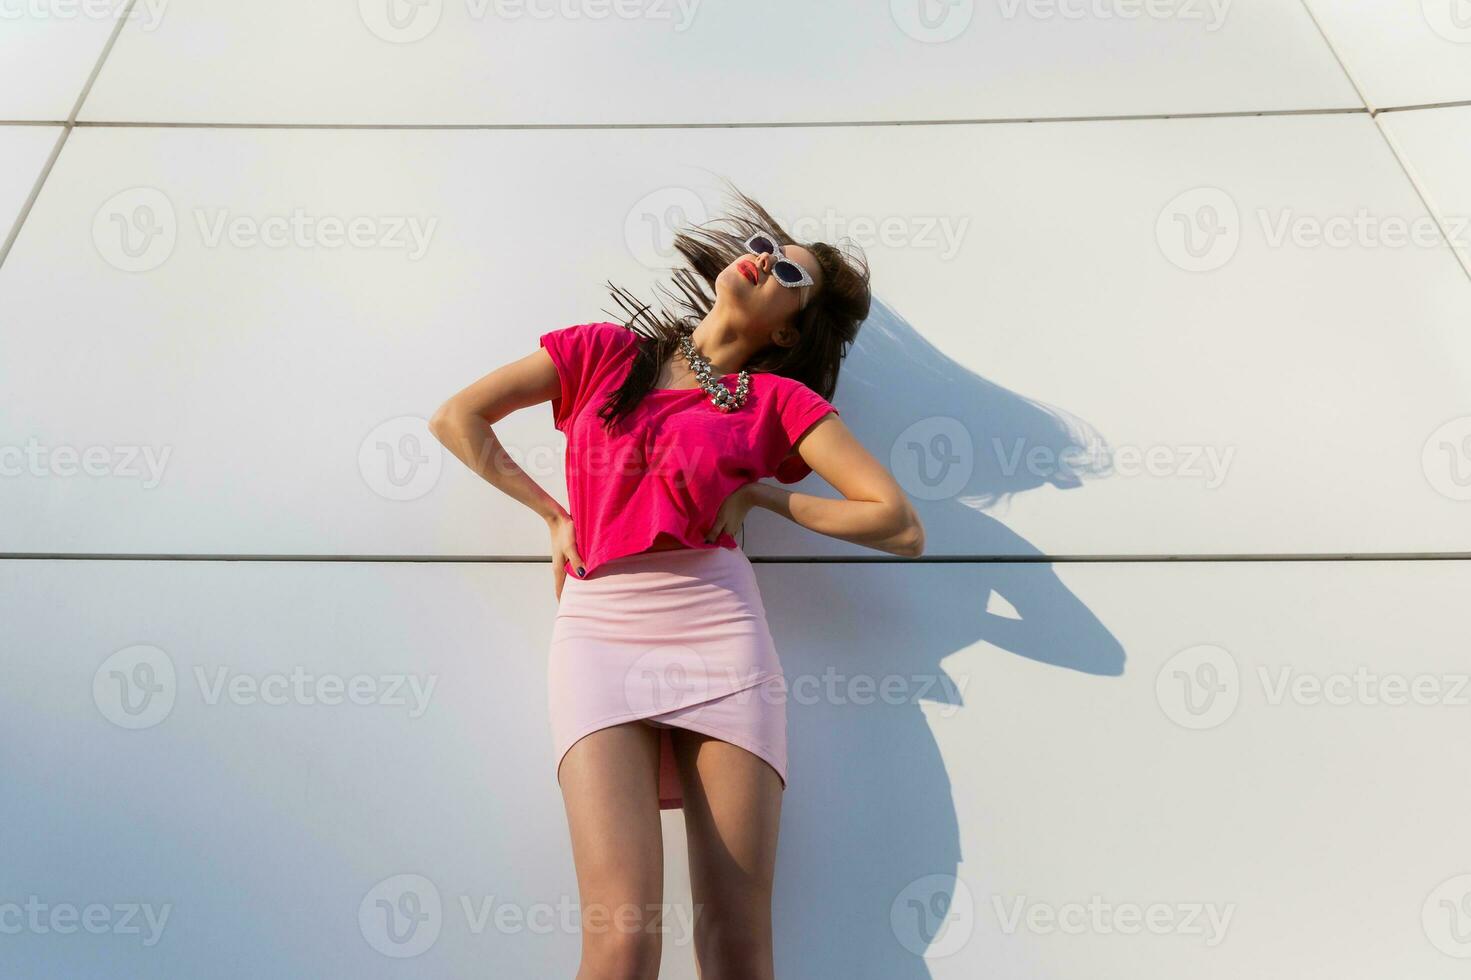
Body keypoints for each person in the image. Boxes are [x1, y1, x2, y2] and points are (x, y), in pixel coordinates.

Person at [430, 184, 924, 978]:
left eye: (788, 277)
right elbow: (458, 418)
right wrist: (553, 518)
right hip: (598, 635)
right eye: (765, 250)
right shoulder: (603, 355)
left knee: (734, 942)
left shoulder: (777, 402)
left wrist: (767, 493)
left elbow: (897, 524)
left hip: (719, 639)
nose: (764, 263)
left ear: (789, 327)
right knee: (621, 938)